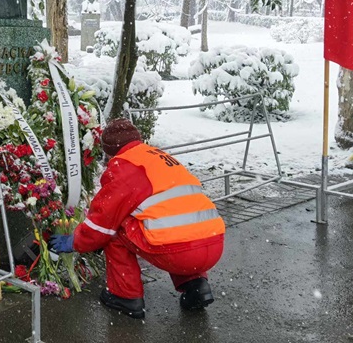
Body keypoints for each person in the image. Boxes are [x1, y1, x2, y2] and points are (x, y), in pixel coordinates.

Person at [49, 118, 225, 319]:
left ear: (110, 150)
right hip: (213, 242)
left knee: (114, 230)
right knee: (170, 224)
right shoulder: (158, 156)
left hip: (180, 252)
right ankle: (196, 286)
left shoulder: (125, 166)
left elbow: (102, 222)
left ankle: (125, 296)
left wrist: (76, 241)